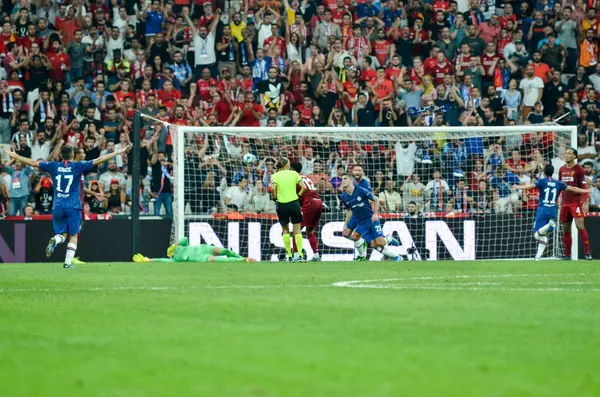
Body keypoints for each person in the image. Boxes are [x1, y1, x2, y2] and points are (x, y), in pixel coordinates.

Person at [4, 144, 127, 268]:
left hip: (57, 206)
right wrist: (116, 153)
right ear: (73, 155)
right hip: (73, 206)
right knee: (73, 235)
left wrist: (16, 156)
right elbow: (99, 160)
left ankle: (55, 240)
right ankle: (67, 263)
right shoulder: (78, 166)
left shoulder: (54, 166)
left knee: (61, 234)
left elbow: (33, 163)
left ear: (61, 156)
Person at [514, 164, 590, 261]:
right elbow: (573, 188)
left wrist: (518, 187)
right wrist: (585, 190)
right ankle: (537, 257)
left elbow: (530, 186)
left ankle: (546, 228)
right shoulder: (558, 183)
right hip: (553, 210)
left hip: (542, 210)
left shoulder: (541, 181)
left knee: (537, 235)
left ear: (545, 172)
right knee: (544, 236)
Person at [340, 173, 401, 261]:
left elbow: (375, 199)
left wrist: (376, 214)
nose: (343, 181)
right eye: (342, 179)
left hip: (371, 219)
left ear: (351, 180)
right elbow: (349, 210)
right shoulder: (344, 196)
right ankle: (396, 256)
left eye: (345, 178)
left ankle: (389, 239)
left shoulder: (360, 190)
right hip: (361, 222)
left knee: (380, 243)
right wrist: (346, 223)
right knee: (370, 243)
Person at [558, 148, 592, 260]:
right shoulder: (561, 169)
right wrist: (558, 198)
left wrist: (586, 202)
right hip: (565, 204)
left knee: (580, 225)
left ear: (575, 156)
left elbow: (583, 187)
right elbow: (559, 185)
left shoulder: (579, 170)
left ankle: (587, 253)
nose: (566, 155)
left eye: (569, 153)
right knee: (566, 228)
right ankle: (567, 255)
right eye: (566, 153)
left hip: (576, 203)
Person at [270, 158, 306, 262]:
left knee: (285, 230)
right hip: (294, 203)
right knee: (297, 230)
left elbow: (272, 188)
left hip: (281, 204)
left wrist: (274, 198)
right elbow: (304, 188)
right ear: (286, 165)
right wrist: (298, 196)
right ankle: (300, 255)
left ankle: (289, 255)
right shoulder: (294, 174)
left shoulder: (275, 175)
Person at [291, 162, 324, 261]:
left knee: (296, 229)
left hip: (310, 203)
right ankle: (316, 255)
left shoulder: (294, 179)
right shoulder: (306, 177)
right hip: (318, 202)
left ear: (291, 170)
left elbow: (297, 195)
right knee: (309, 231)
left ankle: (296, 256)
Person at [133, 237, 255, 263]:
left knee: (225, 251)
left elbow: (185, 238)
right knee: (219, 260)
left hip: (203, 248)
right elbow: (161, 260)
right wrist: (147, 260)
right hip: (199, 258)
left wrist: (176, 244)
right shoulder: (175, 261)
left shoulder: (180, 247)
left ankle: (240, 257)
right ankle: (245, 260)